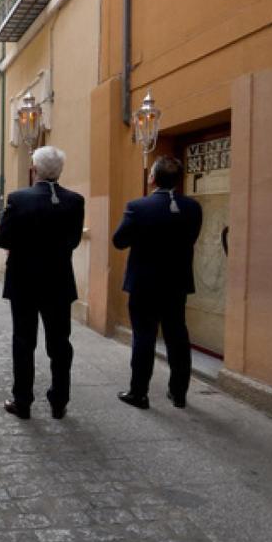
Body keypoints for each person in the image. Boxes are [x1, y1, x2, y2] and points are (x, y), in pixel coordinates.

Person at [0, 146, 84, 420]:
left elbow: (1, 239)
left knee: (23, 341)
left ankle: (23, 401)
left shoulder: (19, 199)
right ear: (60, 171)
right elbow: (74, 241)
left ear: (33, 170)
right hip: (58, 281)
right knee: (59, 343)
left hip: (24, 281)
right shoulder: (75, 201)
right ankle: (59, 400)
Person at [113, 156, 202, 409]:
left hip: (144, 283)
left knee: (144, 336)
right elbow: (191, 237)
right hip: (177, 282)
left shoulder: (138, 207)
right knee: (177, 335)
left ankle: (139, 393)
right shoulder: (193, 208)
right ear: (179, 179)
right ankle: (179, 393)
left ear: (152, 178)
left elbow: (119, 241)